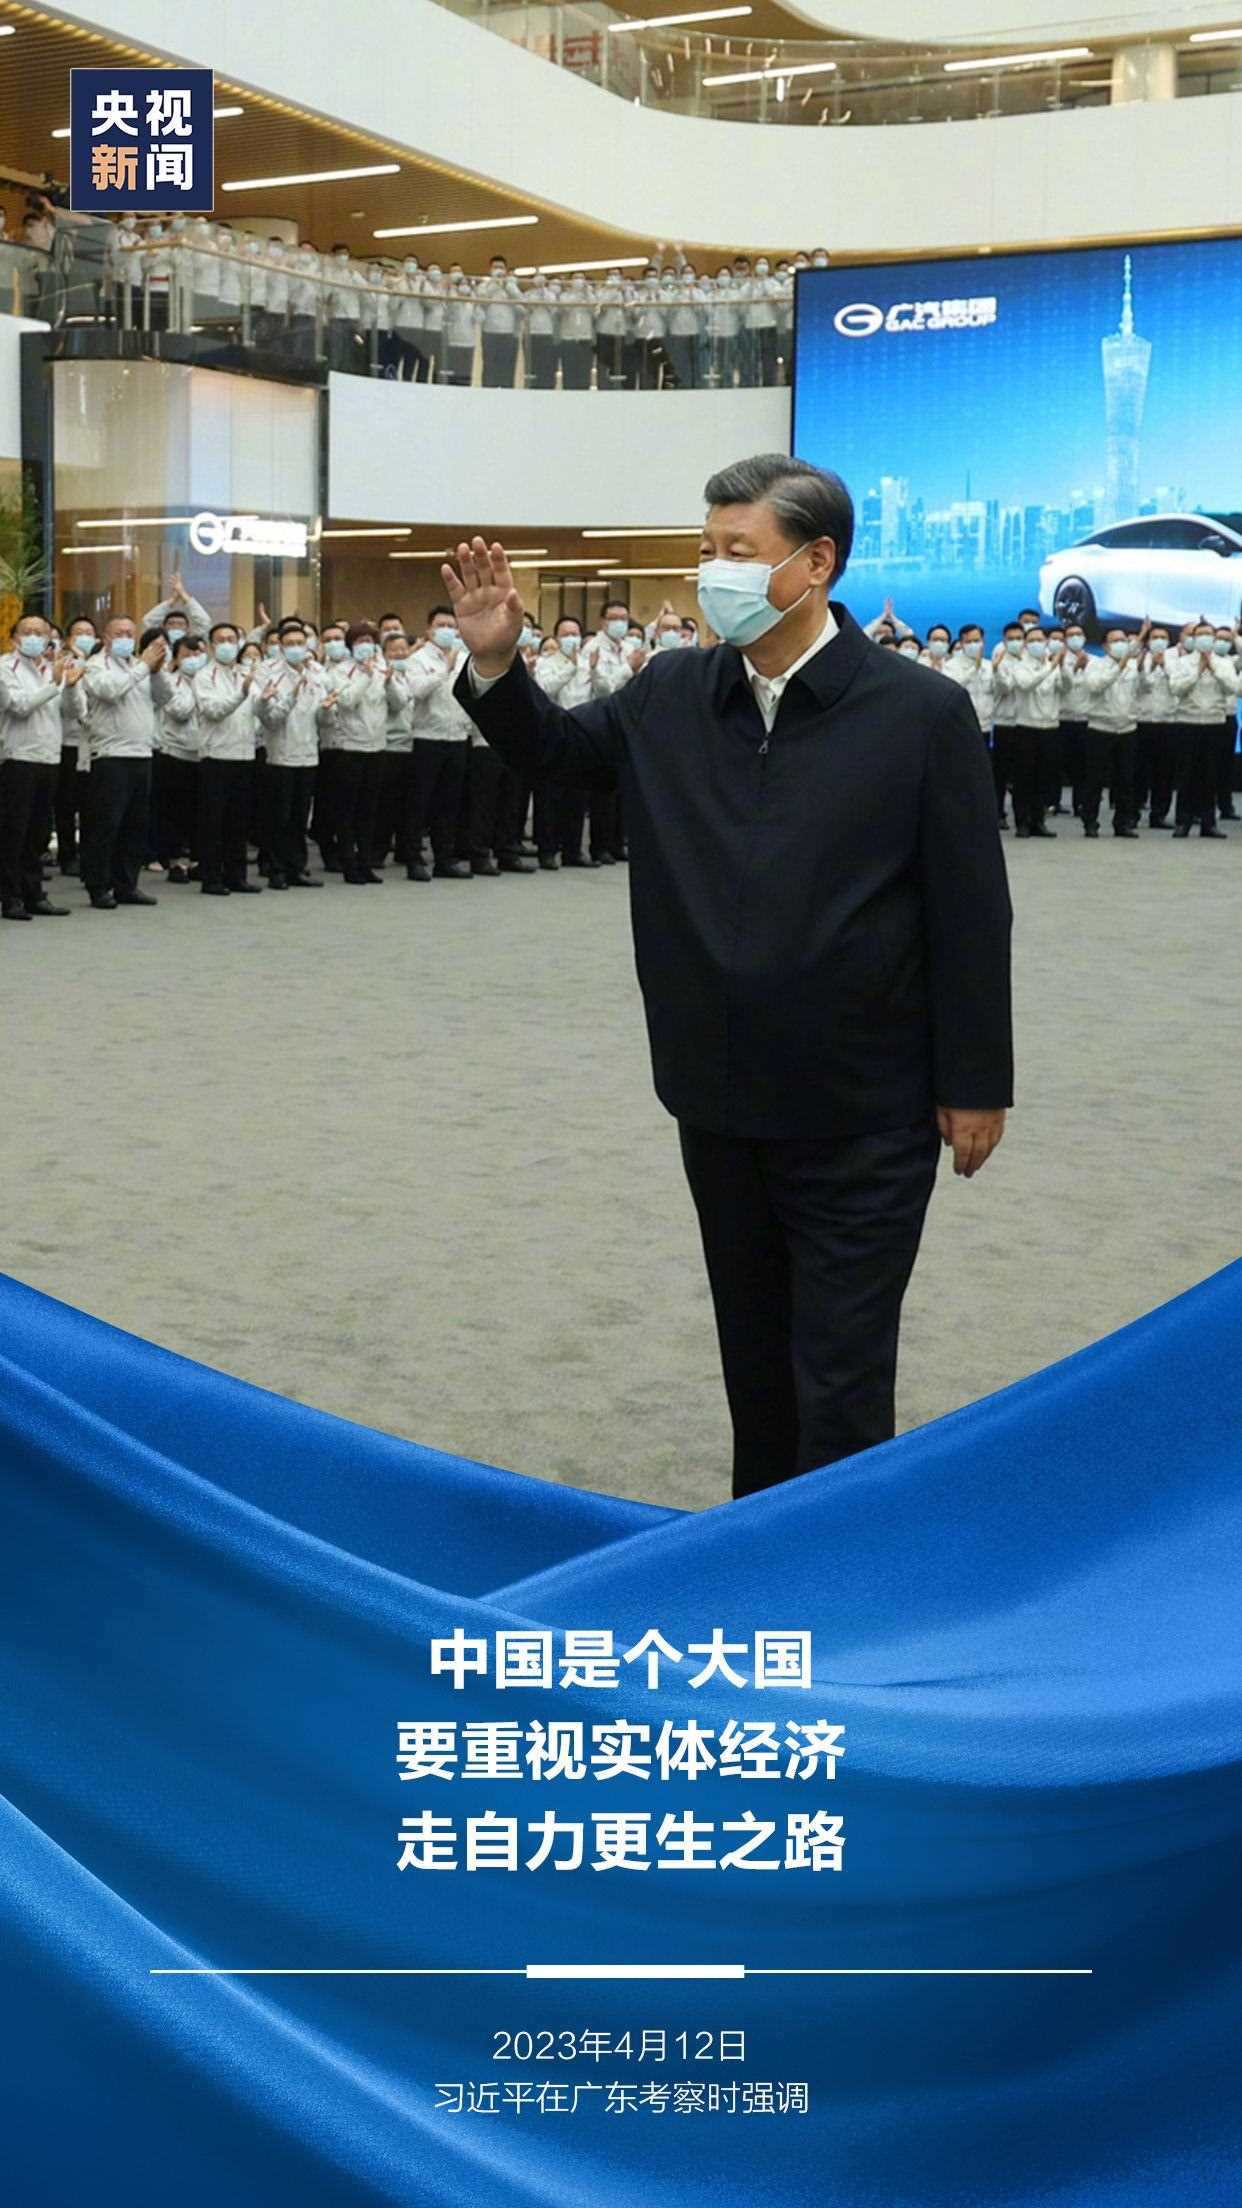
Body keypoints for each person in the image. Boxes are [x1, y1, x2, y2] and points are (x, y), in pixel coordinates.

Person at [443, 452, 1013, 1499]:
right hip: (718, 1096)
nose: (715, 572)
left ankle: (837, 1574)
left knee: (840, 1376)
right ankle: (755, 1556)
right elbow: (560, 755)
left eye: (738, 551)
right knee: (754, 1364)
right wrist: (496, 667)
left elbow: (971, 909)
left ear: (816, 563)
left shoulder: (918, 712)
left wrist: (975, 1080)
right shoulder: (673, 693)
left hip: (864, 1109)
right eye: (706, 550)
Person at [0, 616, 81, 919]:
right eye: (27, 632)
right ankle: (10, 897)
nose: (34, 637)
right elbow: (19, 706)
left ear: (49, 640)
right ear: (14, 637)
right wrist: (54, 683)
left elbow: (74, 712)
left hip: (50, 758)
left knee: (39, 832)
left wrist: (70, 686)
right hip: (18, 758)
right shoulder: (5, 667)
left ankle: (33, 893)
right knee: (13, 831)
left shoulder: (53, 668)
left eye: (40, 633)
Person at [404, 607, 473, 880]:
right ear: (429, 630)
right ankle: (413, 859)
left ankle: (445, 859)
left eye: (451, 626)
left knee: (450, 802)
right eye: (441, 625)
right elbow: (417, 691)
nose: (447, 630)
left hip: (457, 737)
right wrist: (444, 669)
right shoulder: (417, 659)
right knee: (420, 802)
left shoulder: (465, 659)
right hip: (427, 738)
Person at [194, 623, 263, 894]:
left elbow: (257, 710)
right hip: (216, 755)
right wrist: (241, 693)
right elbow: (213, 711)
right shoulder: (204, 675)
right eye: (220, 640)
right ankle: (211, 877)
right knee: (214, 821)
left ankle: (237, 876)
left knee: (239, 820)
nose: (227, 644)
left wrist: (266, 702)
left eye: (231, 639)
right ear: (211, 646)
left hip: (244, 753)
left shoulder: (247, 673)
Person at [256, 621, 323, 887]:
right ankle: (276, 870)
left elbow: (322, 713)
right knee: (279, 817)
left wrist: (328, 710)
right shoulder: (268, 673)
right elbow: (270, 718)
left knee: (300, 816)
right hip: (280, 754)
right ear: (281, 648)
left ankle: (297, 867)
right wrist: (291, 697)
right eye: (290, 644)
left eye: (300, 643)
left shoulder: (316, 672)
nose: (296, 648)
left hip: (309, 752)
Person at [534, 616, 596, 867]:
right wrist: (569, 668)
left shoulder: (587, 663)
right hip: (554, 733)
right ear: (557, 637)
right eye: (566, 634)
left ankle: (573, 850)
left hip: (581, 733)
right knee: (550, 795)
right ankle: (547, 849)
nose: (571, 638)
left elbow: (597, 693)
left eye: (575, 633)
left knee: (577, 796)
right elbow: (545, 689)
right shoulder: (546, 663)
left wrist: (592, 670)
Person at [330, 622, 389, 883]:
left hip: (377, 745)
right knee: (348, 809)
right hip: (350, 747)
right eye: (360, 641)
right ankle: (348, 863)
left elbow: (398, 703)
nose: (365, 645)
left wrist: (389, 680)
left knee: (369, 809)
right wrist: (365, 676)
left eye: (370, 641)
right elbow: (346, 701)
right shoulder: (340, 671)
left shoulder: (382, 667)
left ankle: (365, 862)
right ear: (351, 645)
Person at [1169, 619, 1235, 838]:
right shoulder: (1183, 662)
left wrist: (1213, 668)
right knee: (1186, 774)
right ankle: (1183, 821)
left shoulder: (1224, 663)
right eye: (1201, 635)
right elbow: (1176, 688)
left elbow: (1233, 688)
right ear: (1194, 638)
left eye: (1209, 635)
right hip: (1187, 723)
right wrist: (1197, 671)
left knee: (1211, 775)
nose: (1205, 639)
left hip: (1215, 723)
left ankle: (1209, 823)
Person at [996, 623, 1061, 838]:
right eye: (1031, 641)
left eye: (1040, 640)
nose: (1036, 644)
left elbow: (1065, 688)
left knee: (1044, 777)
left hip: (1050, 726)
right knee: (1024, 778)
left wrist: (1063, 669)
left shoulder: (1053, 663)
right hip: (1026, 727)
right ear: (1025, 644)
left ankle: (1038, 821)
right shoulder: (1019, 665)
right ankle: (1022, 822)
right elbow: (1026, 684)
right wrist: (1049, 668)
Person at [152, 631, 204, 881]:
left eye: (198, 653)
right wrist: (197, 689)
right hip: (175, 754)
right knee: (175, 812)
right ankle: (175, 862)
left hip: (204, 753)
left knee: (200, 812)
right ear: (176, 658)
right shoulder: (170, 682)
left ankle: (198, 861)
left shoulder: (210, 679)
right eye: (187, 655)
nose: (194, 659)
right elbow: (179, 711)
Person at [1082, 626, 1142, 838]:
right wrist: (1119, 667)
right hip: (1101, 728)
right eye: (1115, 641)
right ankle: (1090, 821)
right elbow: (1095, 686)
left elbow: (1141, 691)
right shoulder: (1095, 665)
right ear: (1105, 646)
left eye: (1123, 640)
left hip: (1127, 728)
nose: (1120, 644)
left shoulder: (1133, 667)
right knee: (1095, 779)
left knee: (1126, 779)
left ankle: (1123, 823)